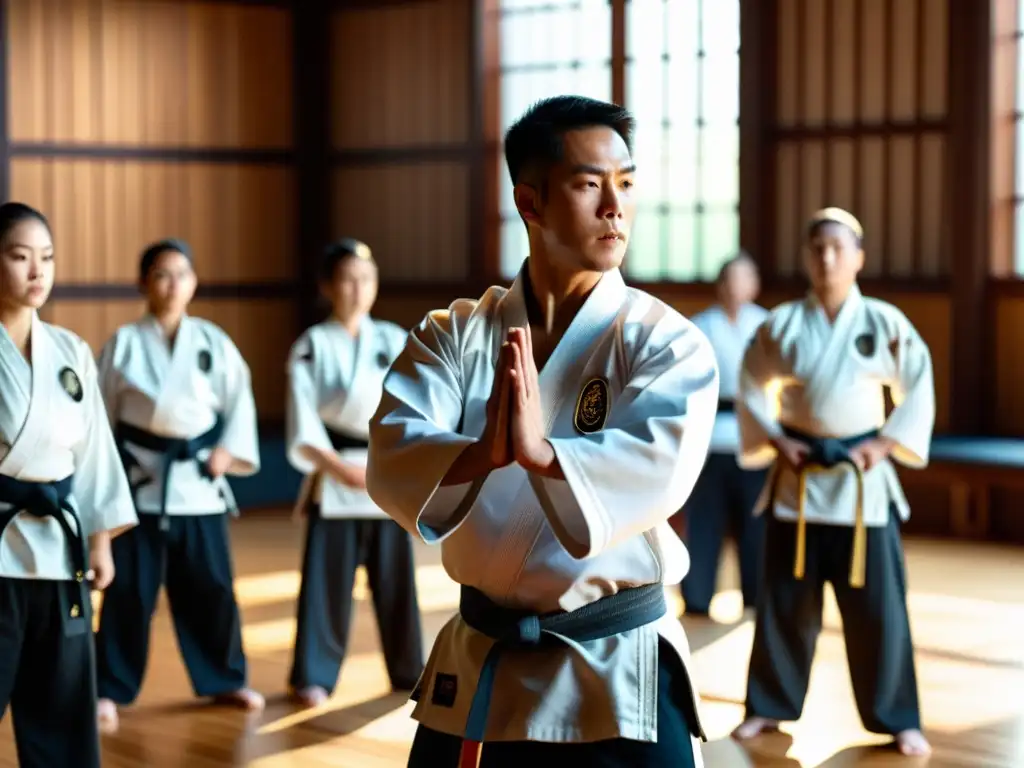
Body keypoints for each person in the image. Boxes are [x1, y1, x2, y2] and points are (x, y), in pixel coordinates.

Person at [366, 95, 718, 767]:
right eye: (590, 184)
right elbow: (393, 448)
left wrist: (546, 457)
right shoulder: (455, 335)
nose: (615, 206)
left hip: (618, 663)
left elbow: (658, 472)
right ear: (530, 204)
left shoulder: (663, 342)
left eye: (627, 183)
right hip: (485, 658)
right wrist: (478, 455)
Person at [730, 207, 933, 757]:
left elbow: (917, 383)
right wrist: (777, 439)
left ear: (858, 257)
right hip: (798, 481)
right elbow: (750, 384)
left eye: (838, 248)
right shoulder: (782, 325)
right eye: (817, 247)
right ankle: (768, 706)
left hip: (861, 485)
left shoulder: (883, 323)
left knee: (880, 612)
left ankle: (899, 717)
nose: (827, 258)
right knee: (783, 605)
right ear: (805, 257)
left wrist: (884, 443)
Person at [93, 238, 263, 732]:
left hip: (198, 486)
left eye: (182, 274)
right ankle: (109, 687)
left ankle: (225, 678)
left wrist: (229, 451)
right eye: (162, 274)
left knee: (212, 589)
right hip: (139, 486)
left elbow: (240, 404)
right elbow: (100, 420)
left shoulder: (213, 342)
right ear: (143, 283)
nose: (173, 284)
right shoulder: (123, 344)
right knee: (129, 593)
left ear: (194, 282)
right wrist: (108, 480)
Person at [0, 202, 138, 767]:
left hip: (61, 549)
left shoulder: (70, 350)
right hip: (0, 548)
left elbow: (95, 453)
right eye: (20, 257)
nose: (38, 272)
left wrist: (101, 539)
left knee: (60, 697)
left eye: (48, 258)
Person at [285, 238, 424, 707]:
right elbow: (302, 416)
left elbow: (416, 404)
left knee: (397, 578)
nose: (357, 288)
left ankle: (409, 670)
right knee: (327, 581)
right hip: (335, 467)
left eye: (366, 279)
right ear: (328, 286)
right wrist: (332, 464)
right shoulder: (312, 345)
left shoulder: (393, 338)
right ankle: (315, 676)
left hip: (384, 469)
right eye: (346, 278)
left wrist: (398, 459)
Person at [681, 253, 769, 617]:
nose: (736, 286)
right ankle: (698, 595)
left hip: (756, 436)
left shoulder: (766, 326)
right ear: (720, 285)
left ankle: (758, 594)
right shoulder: (699, 327)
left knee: (756, 522)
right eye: (730, 278)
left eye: (743, 278)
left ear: (755, 285)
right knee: (704, 520)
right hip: (708, 436)